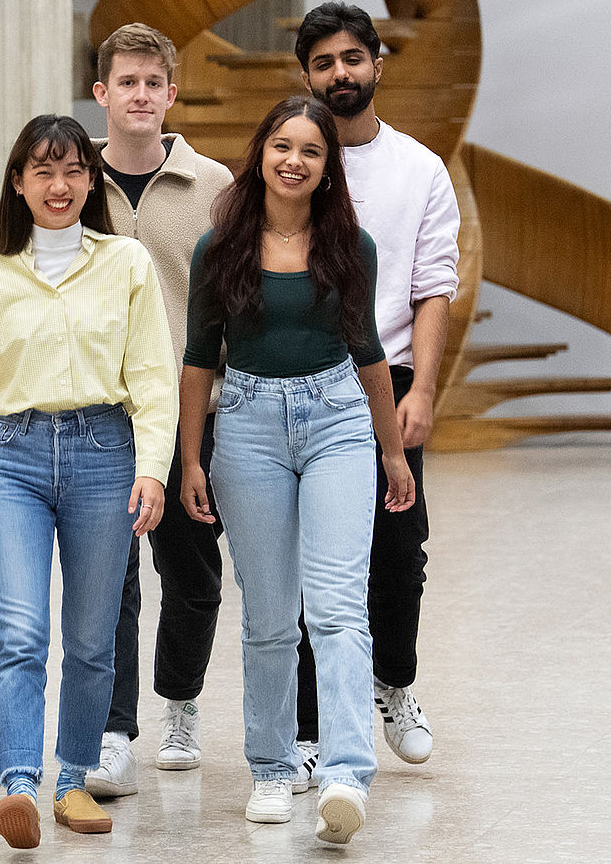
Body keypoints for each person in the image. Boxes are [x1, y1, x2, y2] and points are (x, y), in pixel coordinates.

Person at [177, 94, 414, 845]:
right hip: (245, 425)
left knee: (339, 604)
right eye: (282, 146)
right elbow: (196, 359)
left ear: (326, 169)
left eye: (310, 151)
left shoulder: (353, 247)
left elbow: (370, 352)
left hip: (339, 419)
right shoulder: (219, 247)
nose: (294, 161)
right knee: (271, 618)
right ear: (262, 154)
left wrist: (392, 448)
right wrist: (191, 456)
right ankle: (274, 769)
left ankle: (346, 776)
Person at [0, 114, 176, 849]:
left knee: (90, 638)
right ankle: (20, 784)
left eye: (74, 169)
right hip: (12, 458)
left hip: (103, 454)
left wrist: (152, 467)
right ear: (17, 181)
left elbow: (151, 376)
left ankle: (72, 780)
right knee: (20, 633)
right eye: (43, 171)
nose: (60, 185)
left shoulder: (126, 263)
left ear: (92, 179)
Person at [292, 1, 459, 776]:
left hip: (384, 380)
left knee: (398, 552)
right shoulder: (292, 161)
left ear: (377, 65)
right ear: (307, 75)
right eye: (323, 63)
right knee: (310, 564)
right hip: (299, 377)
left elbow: (433, 290)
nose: (340, 74)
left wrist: (420, 390)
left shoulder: (421, 169)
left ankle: (393, 684)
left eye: (351, 59)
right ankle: (308, 727)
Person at [84, 22, 235, 798]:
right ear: (101, 92)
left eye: (154, 83)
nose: (140, 96)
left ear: (171, 94)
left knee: (196, 576)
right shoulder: (73, 182)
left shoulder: (214, 187)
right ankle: (114, 729)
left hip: (190, 416)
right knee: (110, 581)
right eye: (126, 83)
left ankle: (179, 701)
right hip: (100, 418)